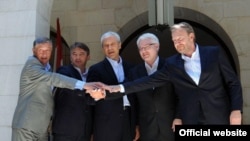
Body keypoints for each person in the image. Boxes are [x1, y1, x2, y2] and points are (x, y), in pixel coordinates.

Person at [103, 22, 243, 125]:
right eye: (174, 41)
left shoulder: (214, 53)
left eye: (180, 38)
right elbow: (147, 81)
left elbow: (233, 83)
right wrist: (119, 88)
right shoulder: (172, 64)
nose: (177, 43)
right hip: (190, 121)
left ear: (191, 36)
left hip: (219, 117)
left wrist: (236, 109)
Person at [11, 37, 104, 141]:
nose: (44, 54)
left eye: (48, 50)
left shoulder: (47, 68)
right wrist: (85, 85)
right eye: (41, 50)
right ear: (33, 51)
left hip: (42, 129)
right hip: (26, 127)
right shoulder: (31, 66)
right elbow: (54, 78)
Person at [86, 31, 138, 141]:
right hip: (106, 125)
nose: (109, 48)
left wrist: (136, 124)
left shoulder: (132, 68)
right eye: (106, 45)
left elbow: (136, 98)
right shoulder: (95, 69)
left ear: (119, 45)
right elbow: (89, 99)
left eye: (112, 44)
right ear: (102, 48)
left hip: (128, 122)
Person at [129, 33, 179, 141]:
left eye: (147, 47)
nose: (144, 51)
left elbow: (181, 94)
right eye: (141, 48)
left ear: (157, 46)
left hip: (171, 125)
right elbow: (134, 102)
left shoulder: (170, 66)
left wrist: (178, 116)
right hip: (147, 128)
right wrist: (135, 125)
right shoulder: (134, 72)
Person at [52, 42, 93, 141]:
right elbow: (69, 88)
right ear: (70, 57)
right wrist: (88, 91)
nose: (77, 57)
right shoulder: (63, 71)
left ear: (88, 57)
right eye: (74, 54)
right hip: (65, 131)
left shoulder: (92, 75)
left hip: (85, 132)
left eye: (81, 54)